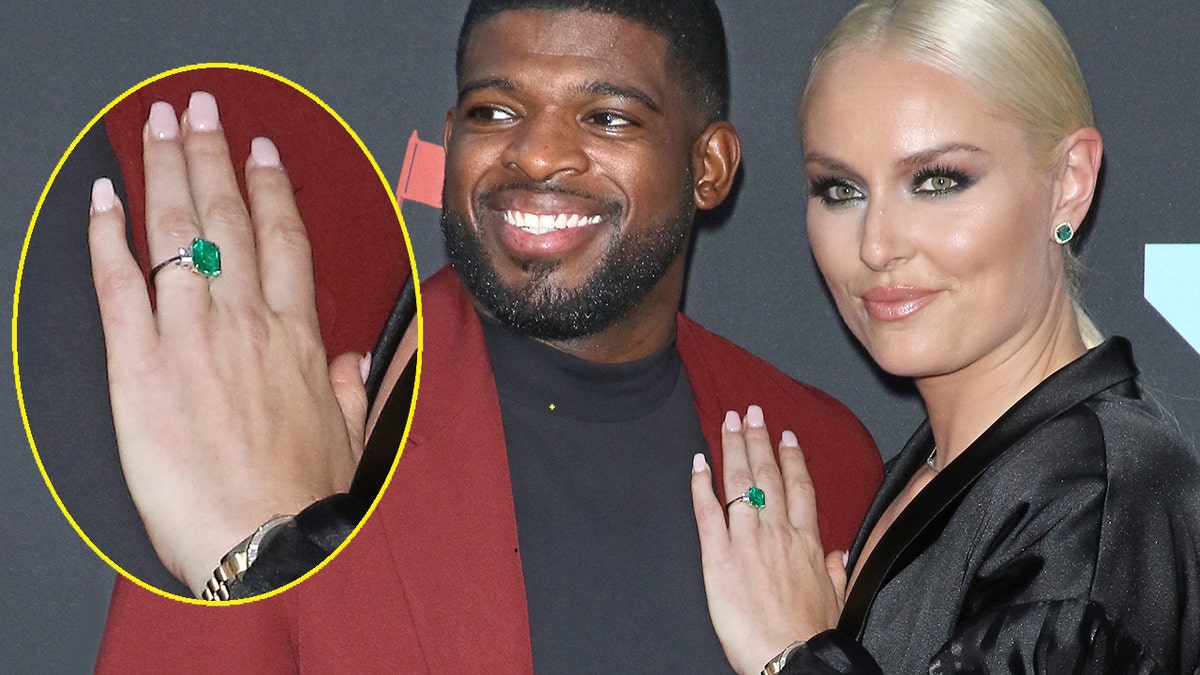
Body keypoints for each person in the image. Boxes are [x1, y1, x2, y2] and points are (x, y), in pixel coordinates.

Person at [91, 0, 884, 671]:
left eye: (607, 116)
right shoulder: (267, 420)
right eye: (494, 112)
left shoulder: (820, 455)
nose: (535, 153)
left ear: (709, 164)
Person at [691, 0, 1200, 673]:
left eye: (936, 182)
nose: (875, 245)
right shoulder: (968, 464)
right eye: (840, 189)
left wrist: (790, 654)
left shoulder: (1095, 509)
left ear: (1068, 184)